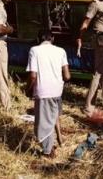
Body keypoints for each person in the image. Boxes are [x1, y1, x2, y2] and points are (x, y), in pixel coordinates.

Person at [26, 30, 71, 158]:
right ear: (53, 38)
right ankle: (60, 140)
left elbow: (33, 76)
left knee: (43, 124)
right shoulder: (61, 51)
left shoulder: (34, 50)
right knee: (53, 116)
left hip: (43, 91)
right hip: (57, 90)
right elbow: (67, 76)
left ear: (38, 38)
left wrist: (28, 89)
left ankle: (48, 151)